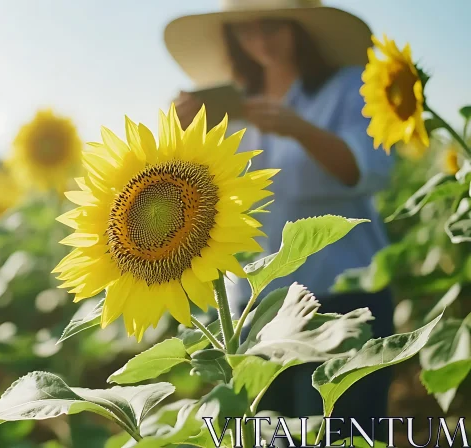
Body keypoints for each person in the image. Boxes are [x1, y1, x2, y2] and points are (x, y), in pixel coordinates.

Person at [165, 0, 395, 443]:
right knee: (270, 433)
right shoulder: (228, 103)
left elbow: (370, 169)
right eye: (245, 29)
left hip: (342, 294)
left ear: (301, 29)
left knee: (344, 432)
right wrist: (181, 132)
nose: (258, 39)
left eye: (270, 25)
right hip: (256, 306)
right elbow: (194, 189)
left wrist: (301, 129)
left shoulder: (348, 86)